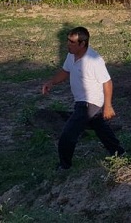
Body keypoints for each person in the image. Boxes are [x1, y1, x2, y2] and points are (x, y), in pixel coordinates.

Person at [42, 27, 125, 170]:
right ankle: (119, 153)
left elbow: (107, 82)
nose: (68, 44)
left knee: (68, 133)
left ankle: (64, 166)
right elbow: (65, 71)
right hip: (81, 101)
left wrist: (108, 106)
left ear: (82, 44)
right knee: (100, 127)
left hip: (89, 103)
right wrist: (51, 82)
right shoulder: (71, 55)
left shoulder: (94, 60)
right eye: (68, 40)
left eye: (72, 42)